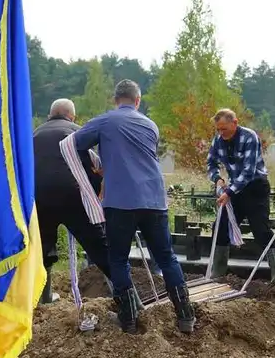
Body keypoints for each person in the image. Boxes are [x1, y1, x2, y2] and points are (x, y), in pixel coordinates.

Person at [73, 80, 194, 334]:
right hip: (154, 199)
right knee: (166, 257)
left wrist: (97, 167)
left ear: (115, 99)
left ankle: (128, 319)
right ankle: (186, 316)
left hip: (121, 202)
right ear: (138, 101)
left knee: (118, 259)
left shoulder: (105, 121)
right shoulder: (151, 125)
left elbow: (77, 143)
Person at [33, 98, 112, 303]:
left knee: (42, 250)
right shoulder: (78, 133)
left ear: (50, 115)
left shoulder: (34, 135)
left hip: (39, 198)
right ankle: (129, 300)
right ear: (72, 117)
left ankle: (44, 298)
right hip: (73, 197)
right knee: (100, 248)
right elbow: (94, 168)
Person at [205, 109, 275, 283]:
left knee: (260, 229)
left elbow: (248, 172)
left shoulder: (249, 137)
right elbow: (210, 163)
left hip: (255, 187)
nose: (221, 133)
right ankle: (218, 273)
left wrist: (228, 192)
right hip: (235, 189)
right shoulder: (218, 140)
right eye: (218, 129)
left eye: (224, 129)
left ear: (235, 123)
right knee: (221, 226)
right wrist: (217, 178)